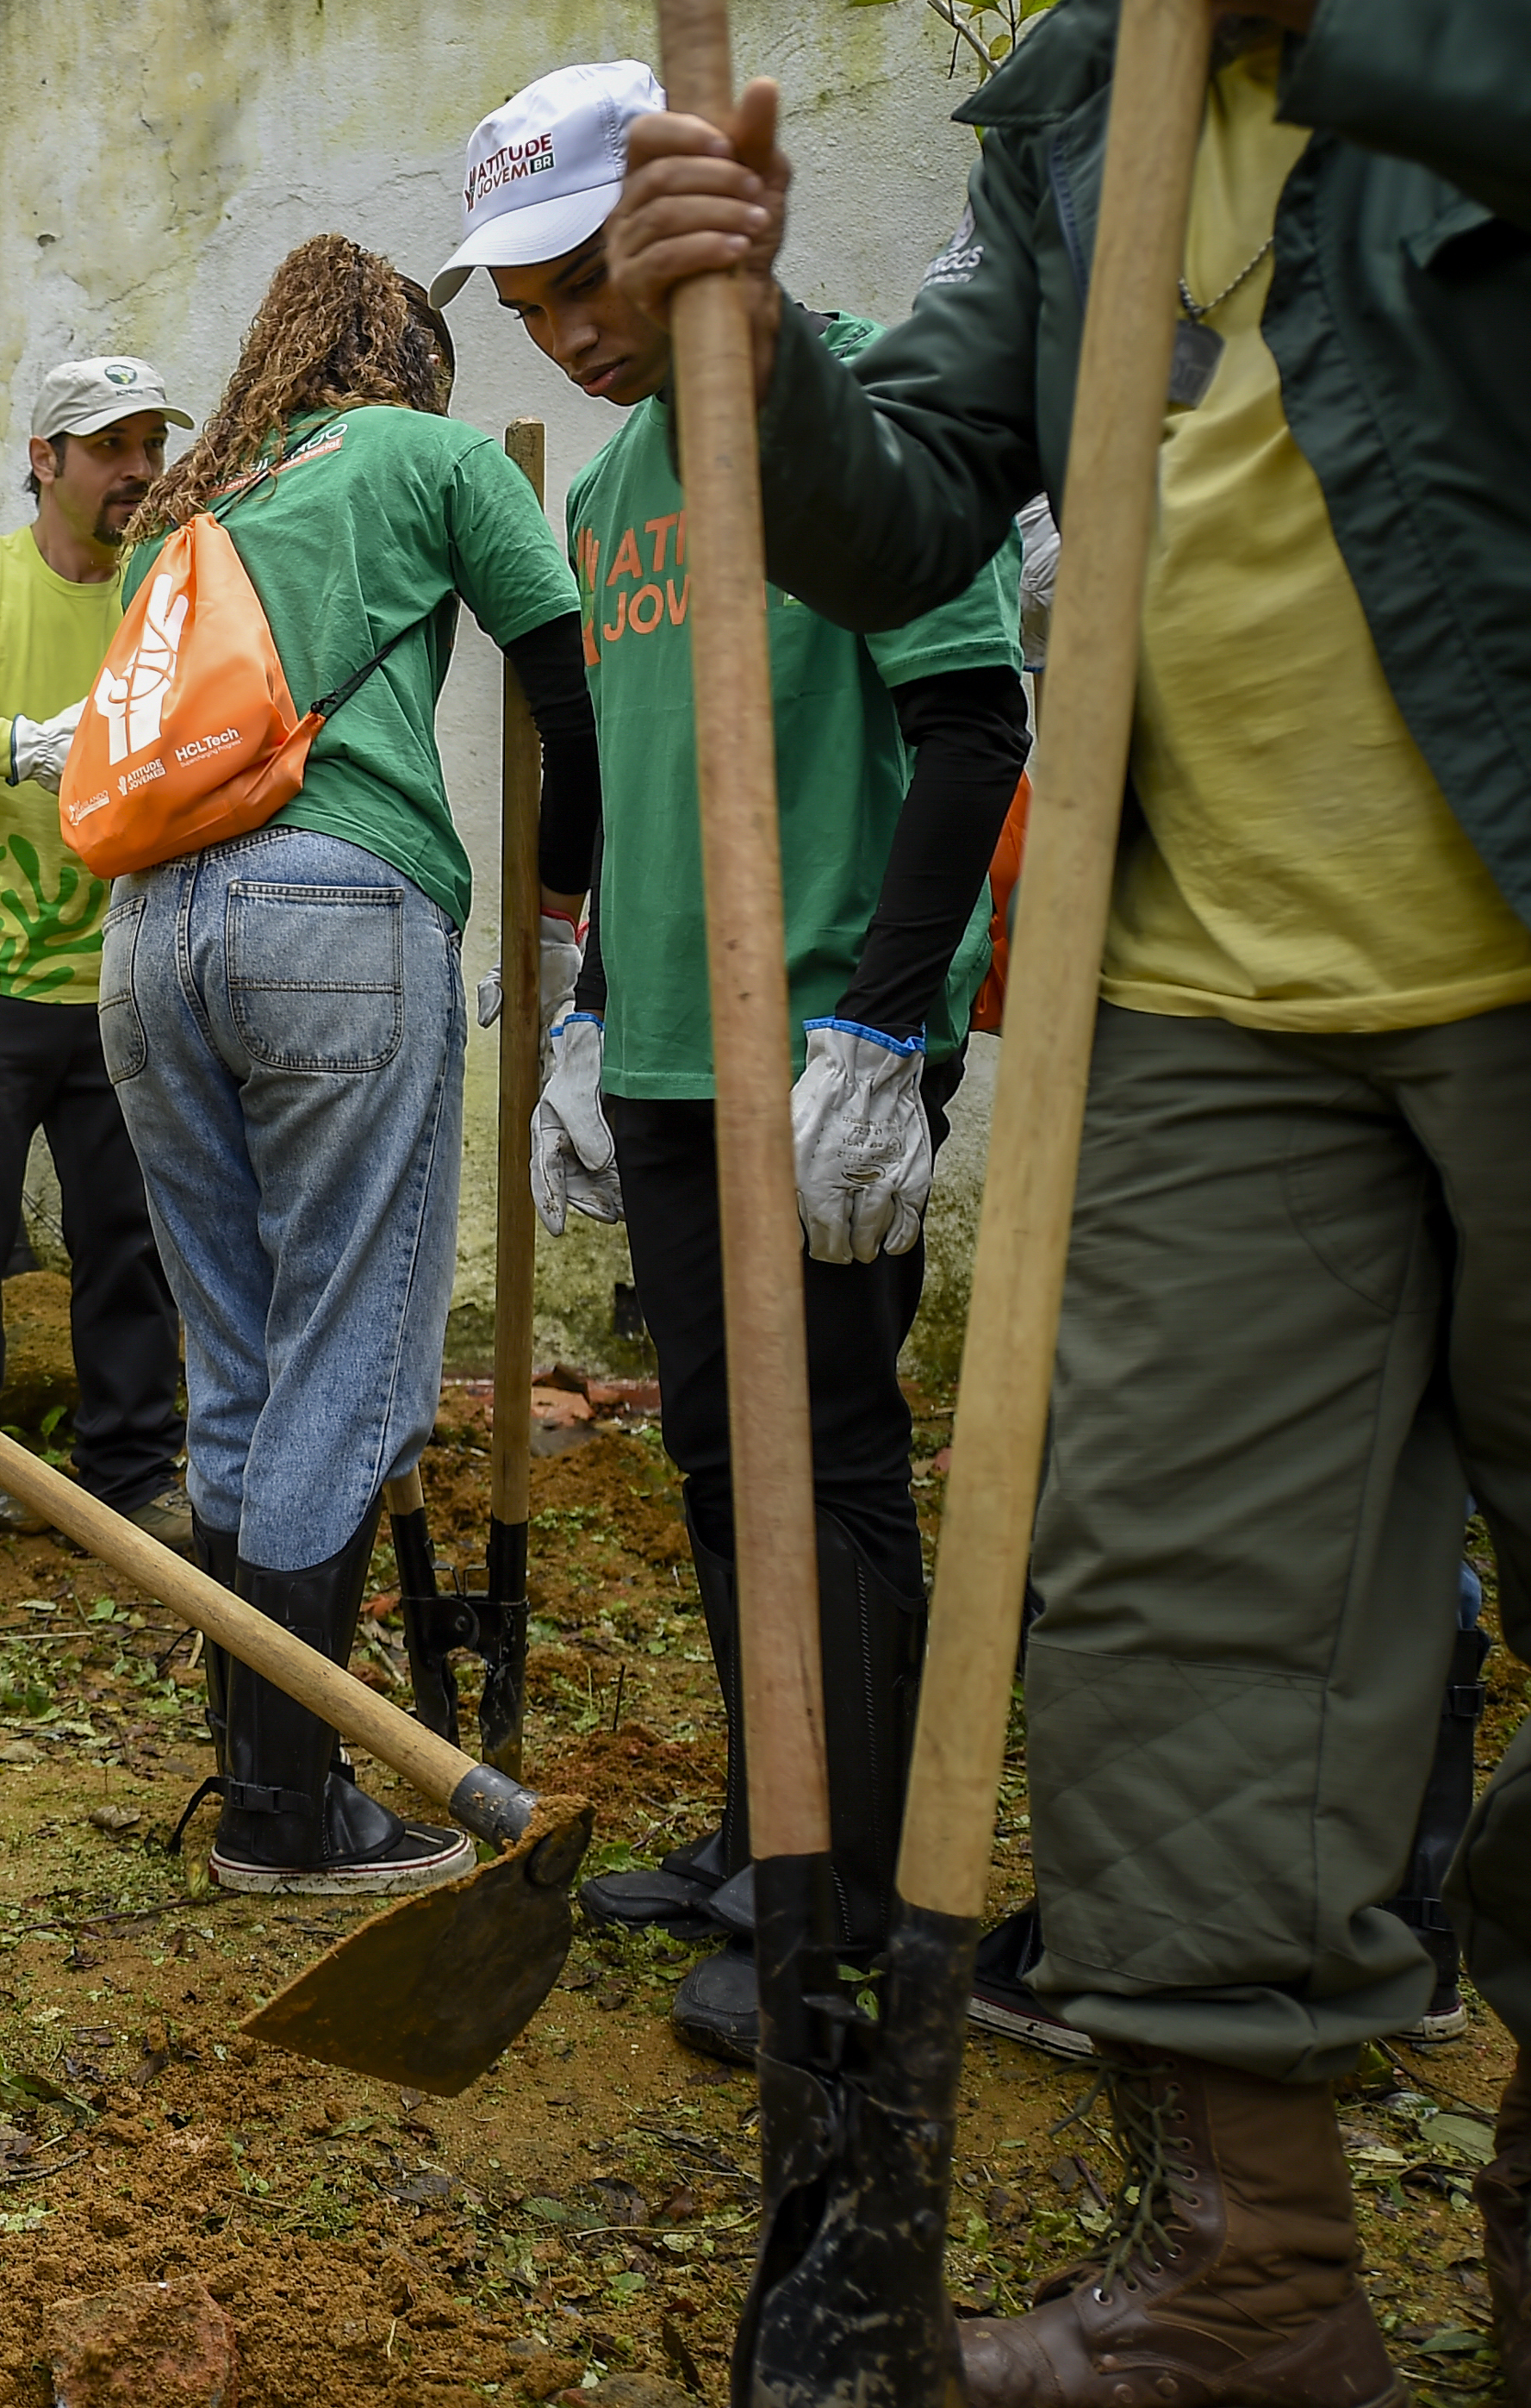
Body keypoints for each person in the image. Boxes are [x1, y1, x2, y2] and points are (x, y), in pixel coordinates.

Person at [609, 3, 1531, 2396]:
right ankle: (1253, 2261)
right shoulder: (1072, 97)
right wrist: (749, 326)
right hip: (1209, 979)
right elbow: (913, 494)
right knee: (1177, 1603)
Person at [448, 59, 1031, 2064]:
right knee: (715, 1459)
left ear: (678, 216)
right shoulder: (610, 490)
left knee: (836, 1458)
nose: (574, 336)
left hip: (824, 1054)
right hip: (683, 1056)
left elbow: (971, 725)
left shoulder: (849, 421)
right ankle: (762, 1829)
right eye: (530, 319)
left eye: (586, 285)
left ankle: (849, 1900)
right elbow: (630, 785)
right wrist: (591, 1021)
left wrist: (886, 1025)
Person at [109, 238, 602, 1899]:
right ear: (409, 360)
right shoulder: (436, 456)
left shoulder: (191, 504)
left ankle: (265, 1781)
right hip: (336, 908)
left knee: (243, 1360)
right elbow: (568, 691)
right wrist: (556, 927)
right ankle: (294, 1811)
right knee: (354, 1355)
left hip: (148, 941)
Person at [0, 357, 192, 1611]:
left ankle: (128, 1472)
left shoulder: (172, 591)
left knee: (129, 1241)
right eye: (106, 445)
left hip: (123, 966)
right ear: (43, 459)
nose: (133, 469)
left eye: (146, 444)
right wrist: (12, 742)